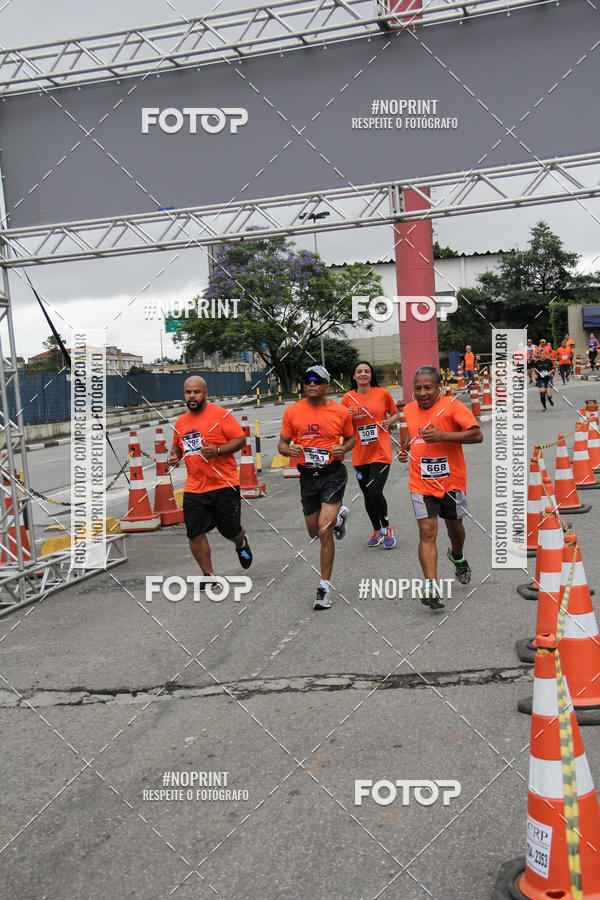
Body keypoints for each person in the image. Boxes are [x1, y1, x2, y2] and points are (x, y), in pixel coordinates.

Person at [396, 366, 482, 609]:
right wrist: (405, 448)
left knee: (455, 528)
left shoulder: (452, 406)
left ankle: (457, 555)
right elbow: (415, 435)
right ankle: (431, 586)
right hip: (421, 482)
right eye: (418, 388)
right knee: (426, 531)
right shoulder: (409, 409)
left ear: (439, 388)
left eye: (428, 388)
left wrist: (443, 435)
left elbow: (477, 435)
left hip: (451, 481)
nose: (422, 393)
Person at [278, 365, 355, 610]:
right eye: (307, 380)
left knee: (324, 530)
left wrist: (343, 448)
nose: (311, 384)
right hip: (308, 477)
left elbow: (351, 438)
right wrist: (288, 450)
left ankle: (324, 587)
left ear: (327, 386)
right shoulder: (292, 411)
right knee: (314, 532)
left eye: (317, 381)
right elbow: (282, 443)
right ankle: (339, 519)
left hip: (332, 473)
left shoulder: (340, 412)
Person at [169, 376, 252, 585]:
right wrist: (174, 457)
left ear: (206, 394)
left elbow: (240, 439)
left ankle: (241, 542)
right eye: (188, 392)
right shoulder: (181, 422)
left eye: (196, 392)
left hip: (224, 484)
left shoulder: (220, 415)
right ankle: (209, 575)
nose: (192, 396)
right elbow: (177, 448)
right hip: (195, 487)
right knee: (194, 532)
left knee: (229, 530)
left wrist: (218, 451)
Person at [341, 361, 400, 549]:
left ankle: (386, 529)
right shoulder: (348, 397)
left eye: (367, 371)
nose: (363, 374)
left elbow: (395, 414)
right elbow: (341, 425)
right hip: (360, 454)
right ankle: (376, 530)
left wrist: (389, 421)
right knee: (367, 494)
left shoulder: (382, 393)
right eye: (359, 371)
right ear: (354, 376)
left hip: (380, 452)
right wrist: (346, 414)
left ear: (371, 375)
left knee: (375, 490)